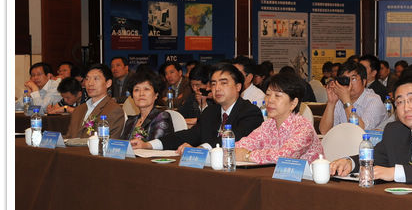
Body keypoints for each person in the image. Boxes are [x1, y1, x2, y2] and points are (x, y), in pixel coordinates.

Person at [132, 63, 263, 153]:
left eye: (223, 83)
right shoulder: (210, 112)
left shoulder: (250, 112)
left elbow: (234, 139)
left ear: (238, 87)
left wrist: (201, 149)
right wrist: (149, 144)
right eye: (213, 84)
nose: (217, 88)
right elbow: (189, 135)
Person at [235, 71, 323, 164]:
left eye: (277, 96)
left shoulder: (303, 127)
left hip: (306, 174)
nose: (270, 100)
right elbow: (240, 146)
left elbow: (284, 157)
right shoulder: (268, 125)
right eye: (268, 94)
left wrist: (247, 155)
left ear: (293, 103)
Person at [319, 60, 387, 135]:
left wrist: (346, 100)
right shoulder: (339, 99)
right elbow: (324, 131)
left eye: (353, 79)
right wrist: (331, 102)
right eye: (345, 79)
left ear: (364, 82)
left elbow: (360, 132)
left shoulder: (374, 100)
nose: (349, 84)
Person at [65, 63, 125, 139]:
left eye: (96, 79)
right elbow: (69, 137)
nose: (90, 83)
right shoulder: (79, 109)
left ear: (108, 83)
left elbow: (109, 141)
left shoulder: (114, 110)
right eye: (87, 79)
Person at [121, 71, 174, 141]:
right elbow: (122, 145)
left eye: (146, 89)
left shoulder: (162, 117)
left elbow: (154, 145)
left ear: (156, 95)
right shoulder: (130, 121)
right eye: (136, 90)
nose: (141, 94)